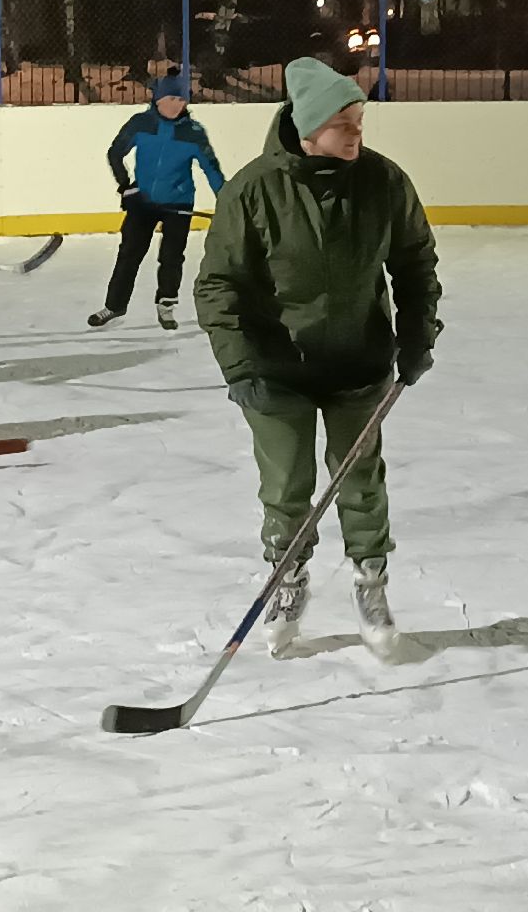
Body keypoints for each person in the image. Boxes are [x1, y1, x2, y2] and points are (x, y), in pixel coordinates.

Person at [194, 57, 440, 661]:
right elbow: (217, 285)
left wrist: (417, 336)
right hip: (276, 371)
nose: (357, 134)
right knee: (286, 488)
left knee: (360, 482)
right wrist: (240, 366)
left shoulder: (384, 182)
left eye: (360, 122)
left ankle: (370, 583)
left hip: (359, 362)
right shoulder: (252, 190)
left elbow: (414, 263)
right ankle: (287, 583)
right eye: (344, 125)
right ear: (308, 128)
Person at [91, 71, 227, 331]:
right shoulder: (141, 124)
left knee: (172, 257)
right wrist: (126, 187)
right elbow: (115, 152)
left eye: (183, 99)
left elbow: (212, 169)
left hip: (179, 204)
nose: (179, 104)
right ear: (159, 99)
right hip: (143, 202)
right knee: (129, 255)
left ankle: (166, 305)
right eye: (173, 98)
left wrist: (227, 201)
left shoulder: (193, 133)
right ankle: (115, 305)